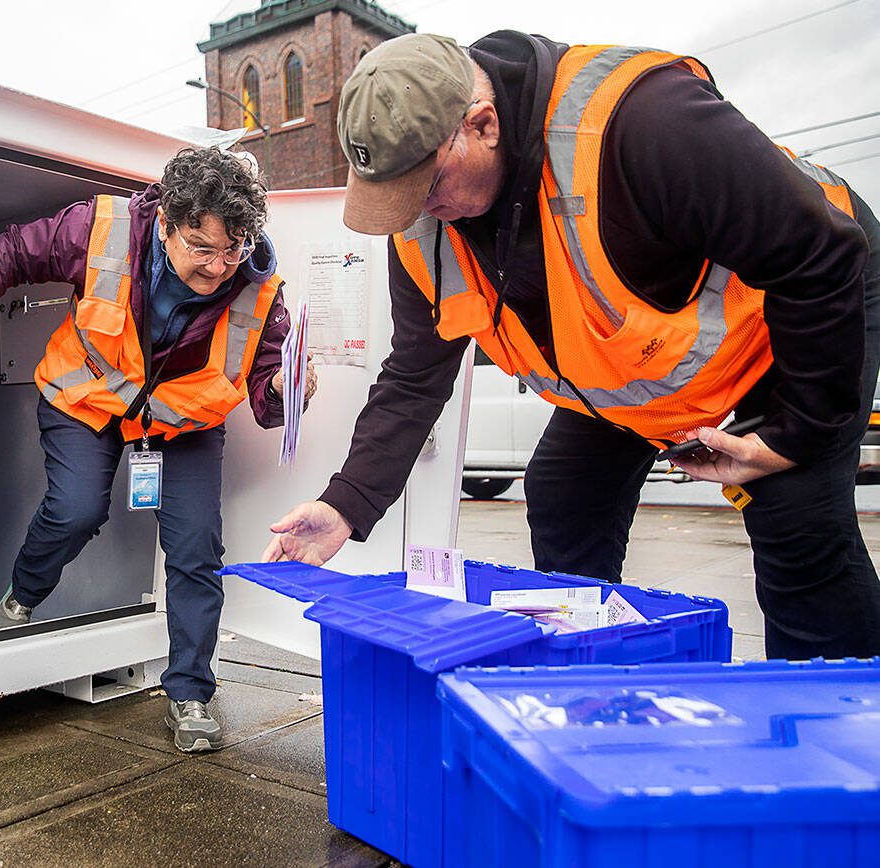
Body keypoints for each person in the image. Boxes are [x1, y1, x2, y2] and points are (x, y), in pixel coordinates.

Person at [264, 31, 880, 661]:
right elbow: (416, 375)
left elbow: (819, 254)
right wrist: (345, 505)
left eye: (426, 185)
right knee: (565, 492)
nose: (419, 211)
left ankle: (835, 733)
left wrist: (796, 435)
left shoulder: (641, 123)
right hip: (653, 366)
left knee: (797, 519)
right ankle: (594, 683)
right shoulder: (423, 225)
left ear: (483, 125)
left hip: (801, 306)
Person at [0, 147, 317, 752]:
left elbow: (266, 394)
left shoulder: (261, 290)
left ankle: (190, 692)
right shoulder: (100, 229)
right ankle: (21, 595)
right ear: (166, 221)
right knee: (76, 508)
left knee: (195, 548)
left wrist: (289, 388)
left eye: (233, 248)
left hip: (182, 426)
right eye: (201, 248)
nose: (218, 266)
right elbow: (21, 248)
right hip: (86, 397)